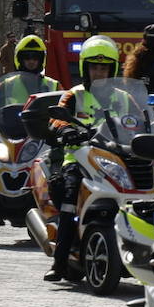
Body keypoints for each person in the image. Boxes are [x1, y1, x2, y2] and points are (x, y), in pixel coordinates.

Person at [44, 34, 121, 282]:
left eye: (104, 67)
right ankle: (60, 262)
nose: (99, 72)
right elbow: (57, 117)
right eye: (94, 67)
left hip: (116, 158)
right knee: (69, 198)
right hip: (79, 158)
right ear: (85, 68)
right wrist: (64, 128)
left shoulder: (123, 97)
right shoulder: (73, 94)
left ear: (113, 69)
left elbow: (142, 120)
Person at [0, 35, 60, 107]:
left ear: (41, 59)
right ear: (20, 59)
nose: (31, 61)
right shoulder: (7, 85)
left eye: (36, 57)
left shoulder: (54, 85)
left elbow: (63, 109)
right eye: (27, 57)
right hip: (15, 118)